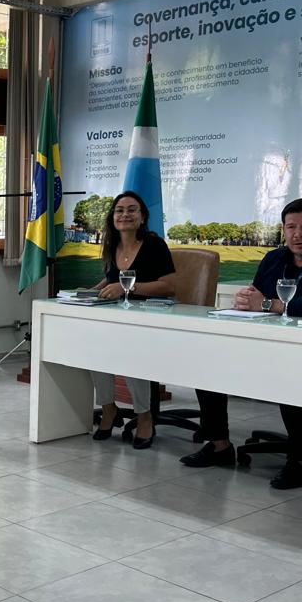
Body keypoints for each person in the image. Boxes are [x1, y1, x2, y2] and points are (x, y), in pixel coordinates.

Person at [180, 198, 302, 489]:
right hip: (269, 342)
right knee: (209, 360)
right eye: (291, 227)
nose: (298, 234)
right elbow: (256, 297)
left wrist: (268, 304)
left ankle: (301, 460)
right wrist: (244, 301)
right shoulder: (274, 259)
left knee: (290, 370)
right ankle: (219, 444)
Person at [88, 191, 176, 449]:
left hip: (152, 319)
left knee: (130, 351)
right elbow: (110, 279)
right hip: (118, 318)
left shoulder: (154, 245)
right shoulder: (111, 245)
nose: (124, 214)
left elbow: (169, 286)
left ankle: (144, 416)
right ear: (112, 217)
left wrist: (128, 287)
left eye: (131, 210)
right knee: (92, 349)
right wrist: (88, 293)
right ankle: (108, 408)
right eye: (119, 210)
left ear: (142, 217)